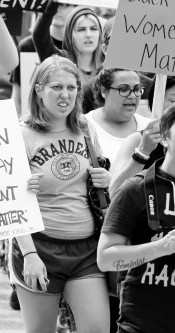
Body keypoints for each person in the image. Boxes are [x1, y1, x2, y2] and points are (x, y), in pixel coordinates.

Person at [8, 54, 110, 333]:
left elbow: (97, 181)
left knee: (98, 329)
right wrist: (29, 254)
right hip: (39, 246)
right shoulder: (22, 134)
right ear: (39, 90)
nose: (65, 95)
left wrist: (105, 178)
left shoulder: (85, 128)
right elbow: (11, 202)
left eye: (72, 87)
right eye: (56, 87)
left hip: (86, 248)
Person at [97, 105, 175, 333]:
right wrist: (161, 247)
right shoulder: (136, 188)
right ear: (165, 138)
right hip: (143, 323)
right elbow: (105, 259)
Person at [110, 76, 175, 196]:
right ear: (155, 101)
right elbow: (114, 193)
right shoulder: (138, 140)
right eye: (173, 101)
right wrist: (143, 152)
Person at [10, 2, 76, 116]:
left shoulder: (80, 48)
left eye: (64, 5)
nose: (58, 9)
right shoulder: (27, 45)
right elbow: (17, 96)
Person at [85, 68, 150, 166]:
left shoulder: (150, 127)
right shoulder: (84, 126)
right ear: (104, 91)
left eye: (137, 89)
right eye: (124, 89)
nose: (132, 96)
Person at [33, 1, 103, 83]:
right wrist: (52, 4)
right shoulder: (60, 62)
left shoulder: (109, 66)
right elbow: (39, 36)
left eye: (93, 29)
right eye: (81, 29)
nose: (88, 35)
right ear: (70, 34)